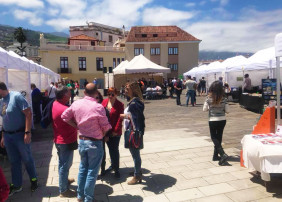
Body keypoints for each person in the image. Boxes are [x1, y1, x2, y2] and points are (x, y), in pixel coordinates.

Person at [62, 83, 111, 202]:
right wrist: (103, 134)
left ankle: (80, 196)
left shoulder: (76, 103)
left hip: (83, 141)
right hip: (94, 142)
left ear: (84, 92)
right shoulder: (98, 107)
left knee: (83, 169)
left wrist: (76, 126)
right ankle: (88, 199)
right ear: (96, 93)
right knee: (92, 172)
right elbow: (106, 126)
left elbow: (64, 116)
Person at [0, 82, 38, 196]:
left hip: (20, 135)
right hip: (8, 136)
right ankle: (17, 185)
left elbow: (28, 113)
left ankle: (34, 180)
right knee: (13, 161)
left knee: (27, 158)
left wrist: (27, 132)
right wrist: (3, 136)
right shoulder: (1, 101)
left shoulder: (16, 96)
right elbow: (4, 120)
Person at [52, 86, 78, 197]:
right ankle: (63, 190)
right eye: (69, 93)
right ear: (64, 96)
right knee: (65, 164)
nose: (70, 94)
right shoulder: (64, 110)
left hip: (60, 139)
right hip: (65, 141)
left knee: (63, 163)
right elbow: (77, 121)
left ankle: (65, 180)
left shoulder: (55, 103)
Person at [120, 82, 145, 185]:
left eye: (127, 88)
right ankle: (137, 170)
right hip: (134, 131)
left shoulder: (134, 103)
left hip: (134, 132)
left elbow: (135, 119)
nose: (125, 90)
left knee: (135, 154)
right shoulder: (134, 101)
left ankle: (137, 175)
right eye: (125, 88)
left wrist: (123, 116)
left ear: (133, 89)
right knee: (135, 154)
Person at [203, 81, 230, 166]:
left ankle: (222, 154)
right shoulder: (224, 98)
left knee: (214, 137)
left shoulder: (208, 98)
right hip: (222, 119)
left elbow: (204, 109)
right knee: (219, 137)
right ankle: (215, 156)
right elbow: (228, 111)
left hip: (212, 119)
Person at [101, 87, 124, 178]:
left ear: (116, 94)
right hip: (105, 131)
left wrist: (115, 131)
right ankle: (110, 166)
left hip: (115, 132)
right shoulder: (104, 102)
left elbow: (120, 119)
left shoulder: (119, 104)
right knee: (104, 151)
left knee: (114, 150)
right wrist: (105, 133)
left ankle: (116, 169)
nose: (110, 96)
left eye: (112, 94)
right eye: (109, 94)